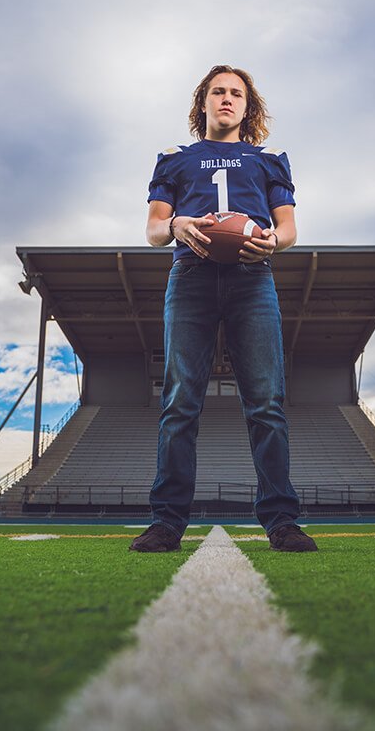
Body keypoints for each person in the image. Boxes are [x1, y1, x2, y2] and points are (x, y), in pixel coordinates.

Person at [130, 65, 317, 553]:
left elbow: (289, 228)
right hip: (189, 275)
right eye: (218, 92)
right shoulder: (174, 159)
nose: (227, 99)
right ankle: (167, 521)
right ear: (204, 103)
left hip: (251, 277)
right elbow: (153, 229)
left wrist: (274, 241)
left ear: (247, 105)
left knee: (266, 402)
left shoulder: (269, 159)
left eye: (236, 93)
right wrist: (176, 227)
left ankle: (281, 520)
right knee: (179, 402)